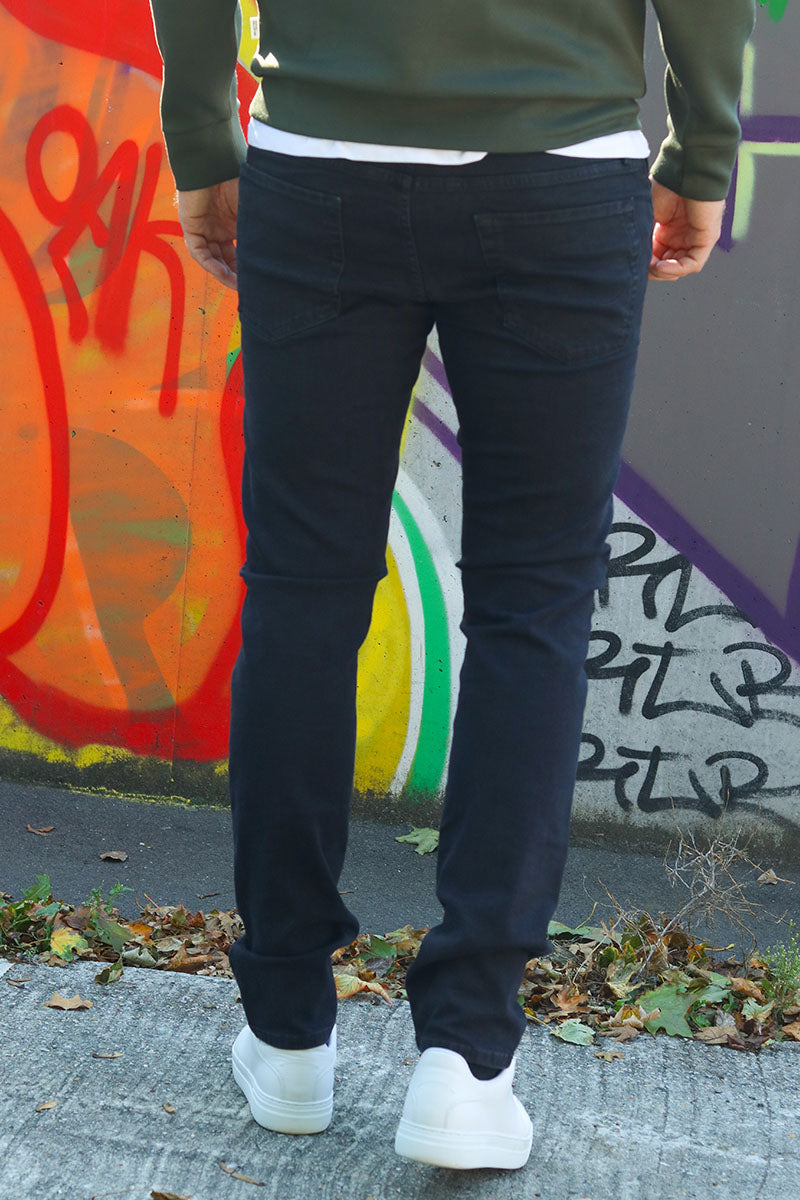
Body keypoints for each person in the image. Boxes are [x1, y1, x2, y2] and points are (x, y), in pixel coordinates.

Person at [150, 0, 755, 1171]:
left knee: (301, 590)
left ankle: (285, 1030)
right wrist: (699, 151)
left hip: (321, 165)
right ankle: (468, 1059)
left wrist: (201, 137)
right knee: (534, 608)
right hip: (559, 166)